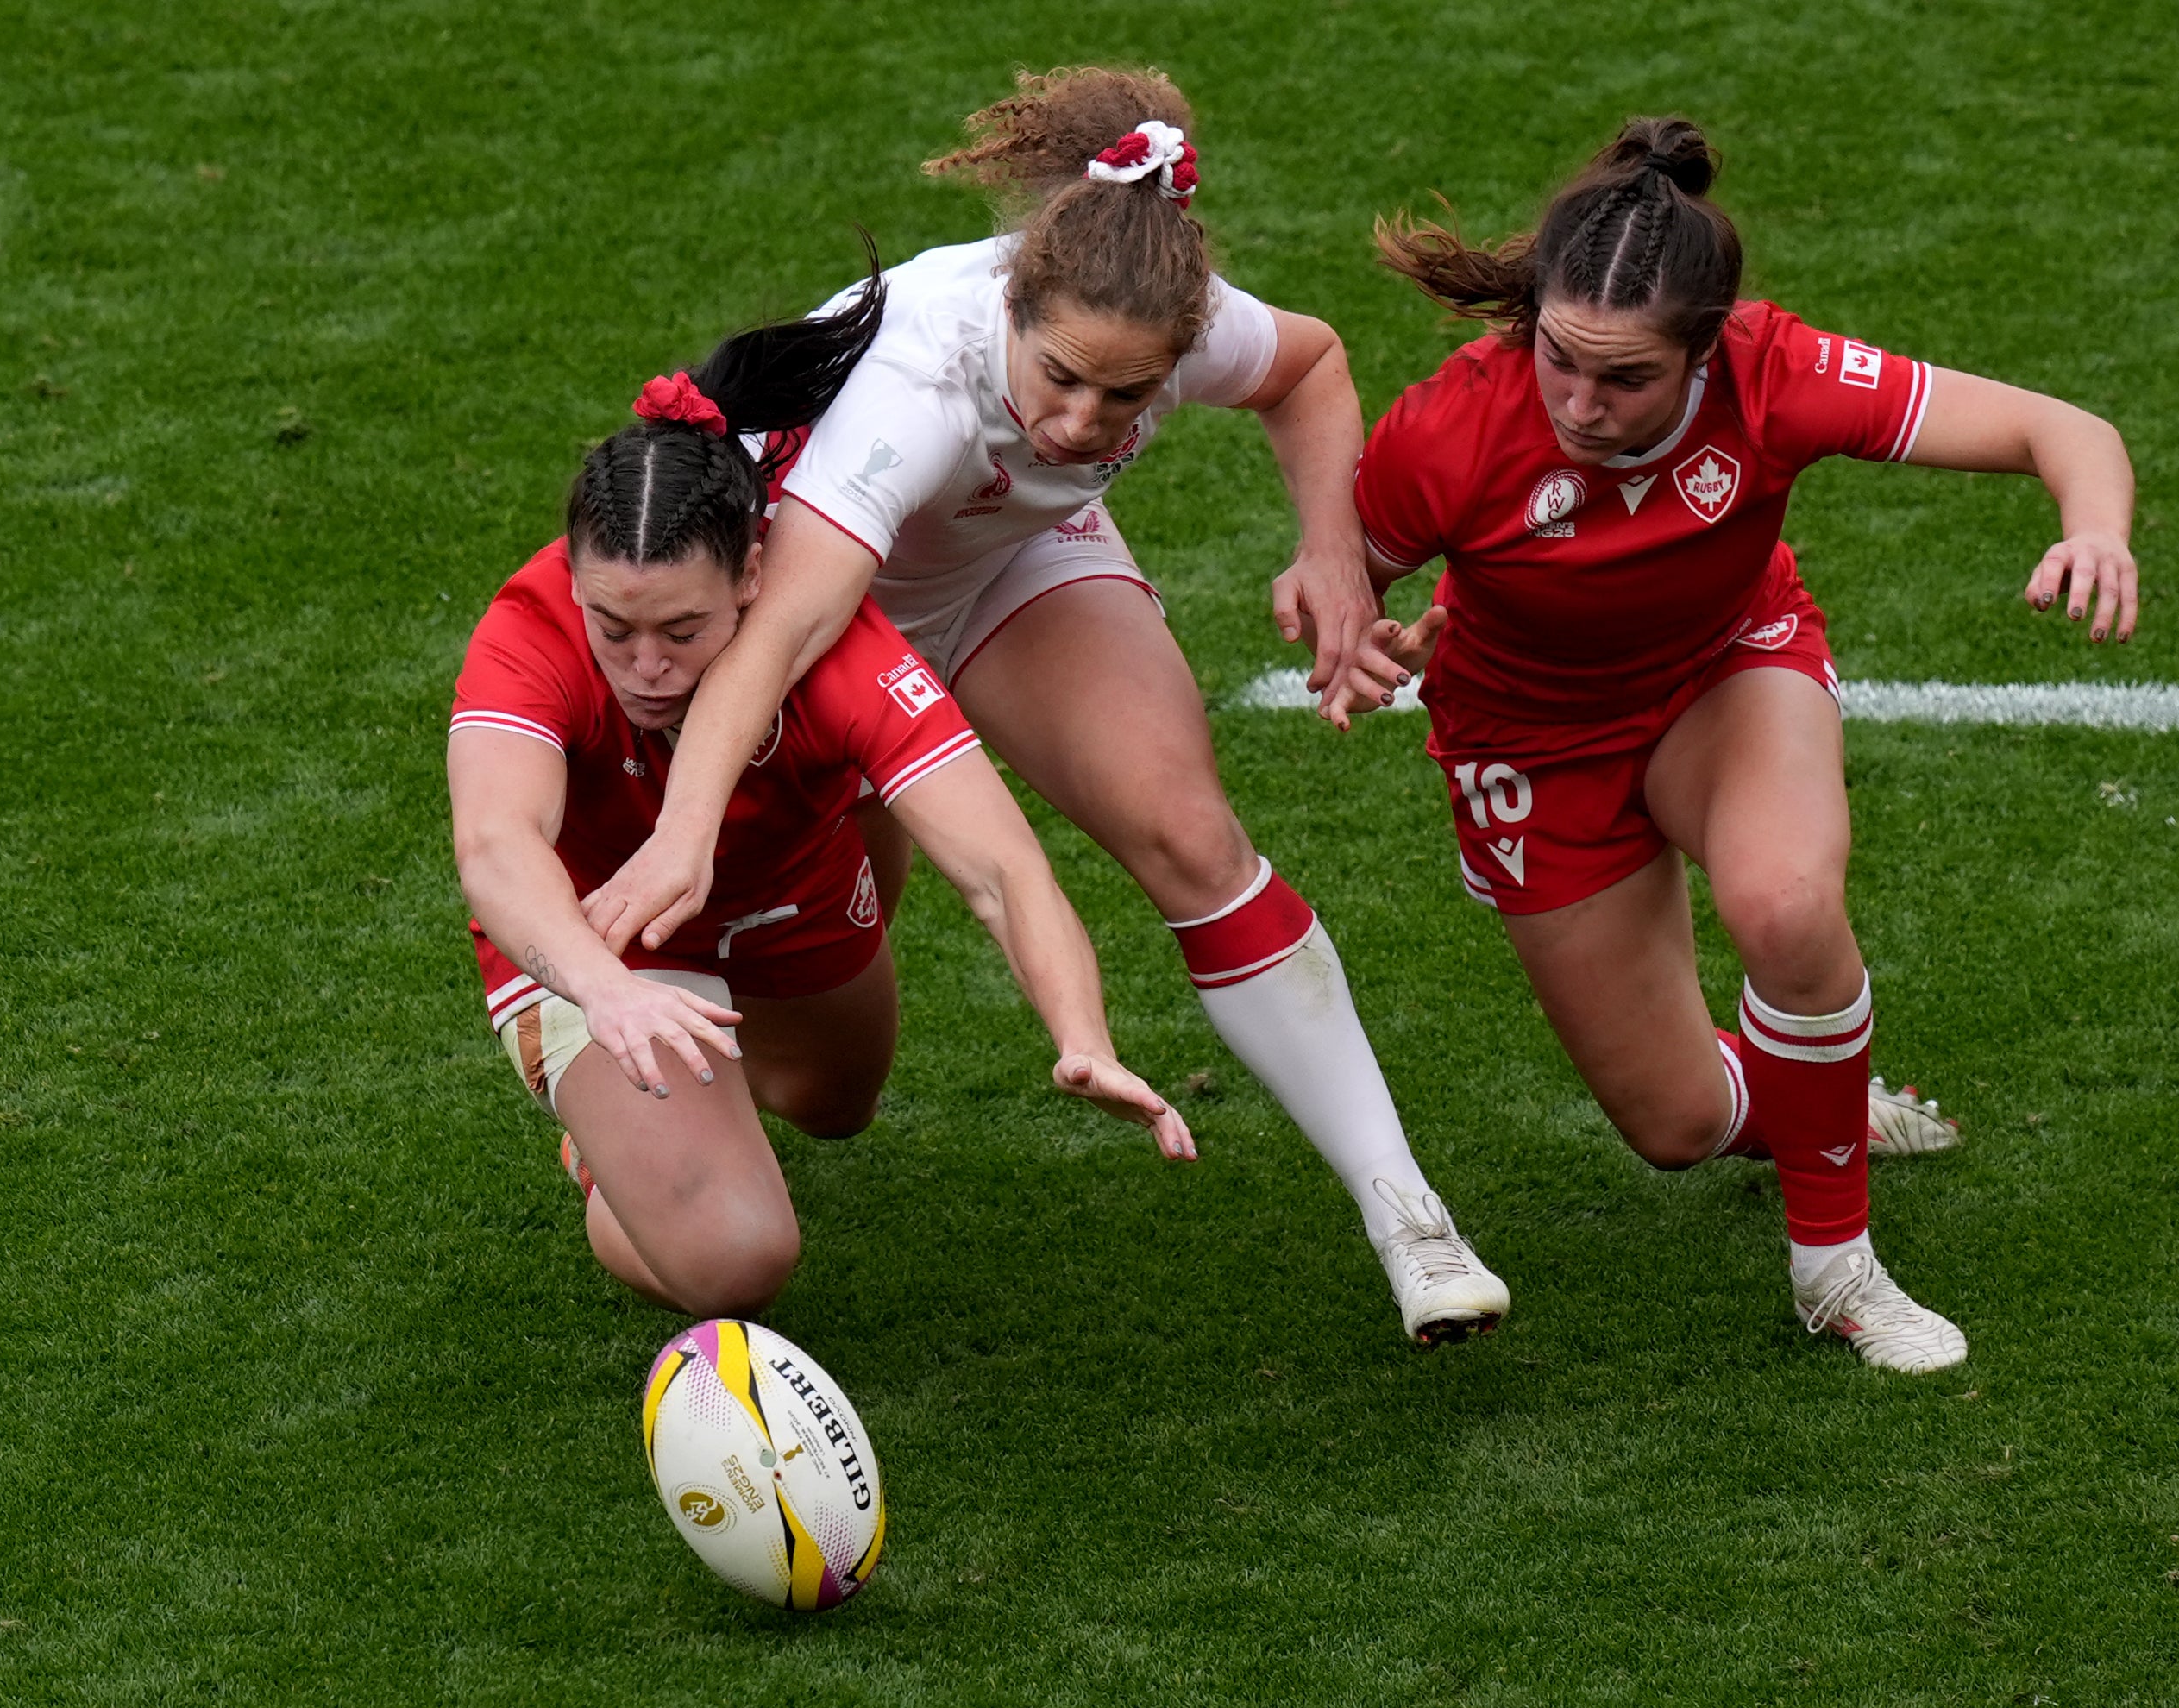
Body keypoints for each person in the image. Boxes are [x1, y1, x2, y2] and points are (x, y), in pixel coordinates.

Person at [572, 66, 1510, 1346]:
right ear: (1011, 302)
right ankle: (606, 1112)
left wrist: (1333, 551)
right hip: (822, 621)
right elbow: (779, 633)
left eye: (1126, 397)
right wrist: (685, 834)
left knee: (1191, 834)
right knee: (825, 1079)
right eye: (1059, 377)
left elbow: (1311, 368)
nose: (1081, 422)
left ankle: (1411, 1217)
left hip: (1009, 566)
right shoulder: (915, 388)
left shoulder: (1177, 319)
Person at [1330, 117, 2139, 1372]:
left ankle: (1840, 1273)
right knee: (1676, 1126)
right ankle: (1813, 1093)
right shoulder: (1450, 430)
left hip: (1727, 672)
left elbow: (2063, 429)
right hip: (1527, 742)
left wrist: (2094, 531)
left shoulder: (1780, 371)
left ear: (1706, 348)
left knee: (1788, 904)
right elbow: (1346, 582)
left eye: (1627, 379)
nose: (1583, 406)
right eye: (1559, 360)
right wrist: (1354, 641)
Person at [449, 357, 1193, 1320]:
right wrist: (609, 992)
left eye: (681, 629)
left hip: (786, 893)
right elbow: (498, 847)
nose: (644, 668)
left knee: (834, 1107)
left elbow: (1002, 868)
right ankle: (611, 1154)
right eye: (612, 627)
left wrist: (1082, 1036)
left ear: (754, 576)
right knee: (737, 1258)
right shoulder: (527, 628)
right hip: (600, 937)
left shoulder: (842, 644)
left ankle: (685, 1116)